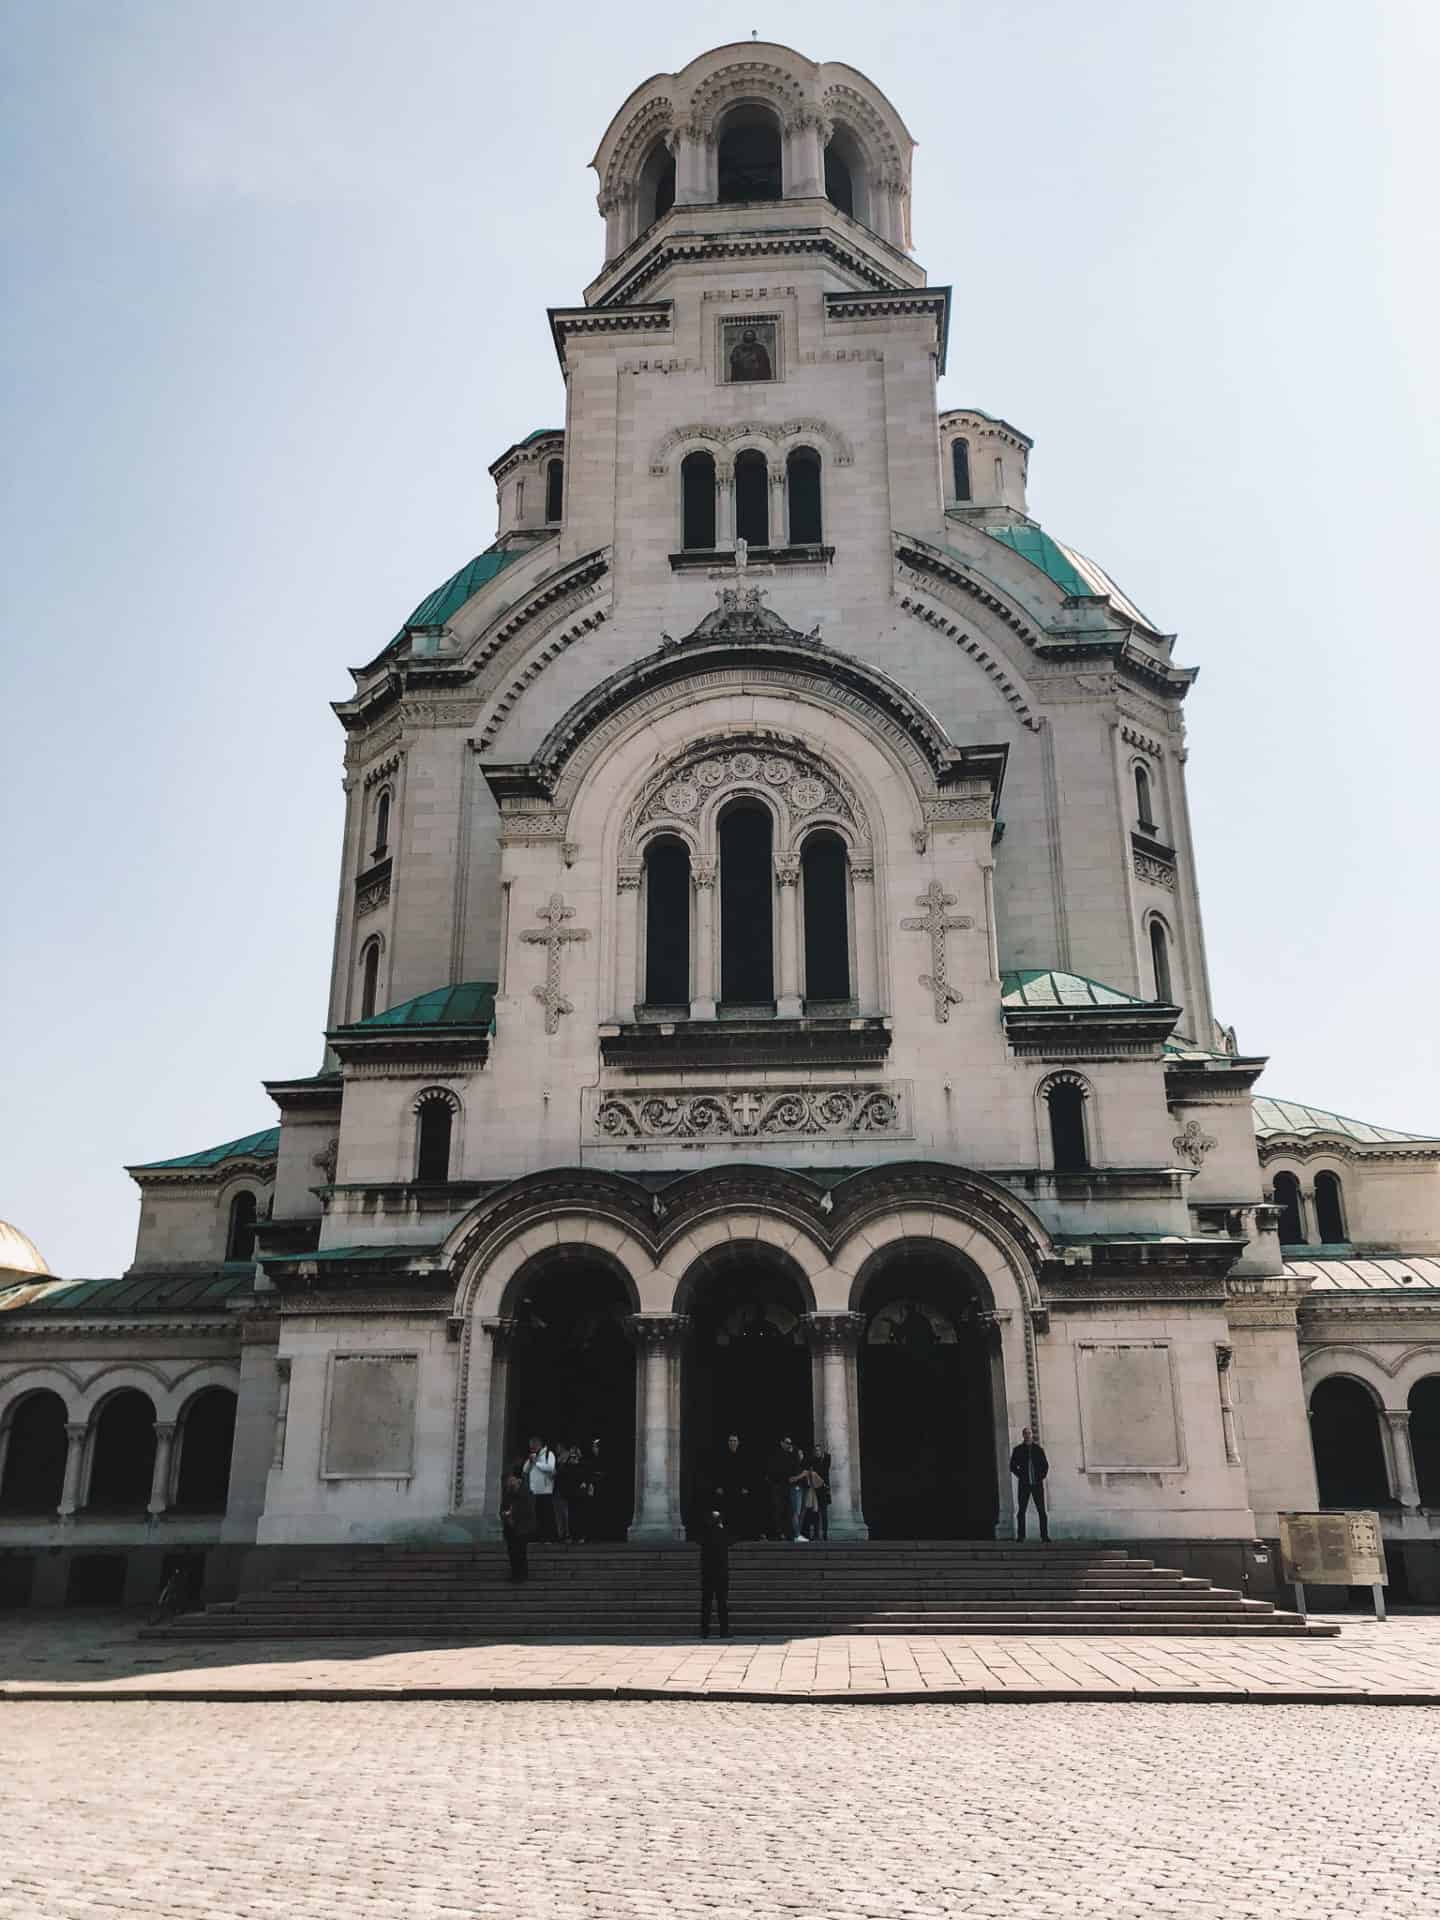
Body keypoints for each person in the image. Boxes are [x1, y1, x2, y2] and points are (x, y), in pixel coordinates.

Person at [1010, 1427, 1050, 1542]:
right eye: (1025, 1433)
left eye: (1029, 1433)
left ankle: (1044, 1536)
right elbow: (1012, 1466)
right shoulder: (1018, 1450)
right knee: (1021, 1510)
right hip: (1024, 1484)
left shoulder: (1038, 1450)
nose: (1027, 1435)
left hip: (1037, 1484)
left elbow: (1045, 1466)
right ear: (1023, 1435)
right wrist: (1021, 1475)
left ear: (1032, 1435)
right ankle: (1021, 1536)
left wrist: (1040, 1477)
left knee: (1041, 1510)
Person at [698, 1506, 731, 1637]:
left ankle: (704, 1631)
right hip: (721, 1574)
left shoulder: (704, 1535)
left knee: (706, 1603)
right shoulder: (723, 1534)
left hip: (707, 1574)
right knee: (722, 1603)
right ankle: (724, 1631)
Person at [501, 1470, 536, 1581]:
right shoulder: (507, 1493)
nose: (509, 1483)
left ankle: (522, 1574)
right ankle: (515, 1574)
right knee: (512, 1553)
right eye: (507, 1481)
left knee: (520, 1552)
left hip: (522, 1528)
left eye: (510, 1480)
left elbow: (528, 1510)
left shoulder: (526, 1493)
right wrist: (505, 1515)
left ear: (517, 1480)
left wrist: (513, 1514)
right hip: (510, 1529)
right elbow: (502, 1508)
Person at [525, 1435, 557, 1541]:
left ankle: (549, 1537)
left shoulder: (549, 1454)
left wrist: (537, 1463)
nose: (531, 1448)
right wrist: (530, 1461)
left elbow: (550, 1468)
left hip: (546, 1491)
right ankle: (539, 1537)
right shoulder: (533, 1456)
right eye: (530, 1447)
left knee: (547, 1516)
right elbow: (525, 1470)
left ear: (538, 1444)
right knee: (537, 1516)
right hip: (534, 1491)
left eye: (533, 1446)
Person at [554, 1443, 583, 1544]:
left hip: (578, 1495)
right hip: (568, 1495)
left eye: (575, 1455)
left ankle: (578, 1535)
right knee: (568, 1516)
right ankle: (568, 1535)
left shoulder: (581, 1467)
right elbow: (561, 1478)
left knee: (577, 1515)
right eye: (572, 1455)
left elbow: (583, 1478)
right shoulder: (565, 1467)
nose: (573, 1457)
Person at [805, 1439, 832, 1540]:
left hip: (824, 1489)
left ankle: (825, 1534)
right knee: (815, 1513)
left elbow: (825, 1469)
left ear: (821, 1451)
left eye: (818, 1450)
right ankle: (816, 1534)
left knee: (824, 1512)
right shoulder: (812, 1460)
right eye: (815, 1451)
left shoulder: (826, 1458)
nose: (817, 1452)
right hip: (815, 1490)